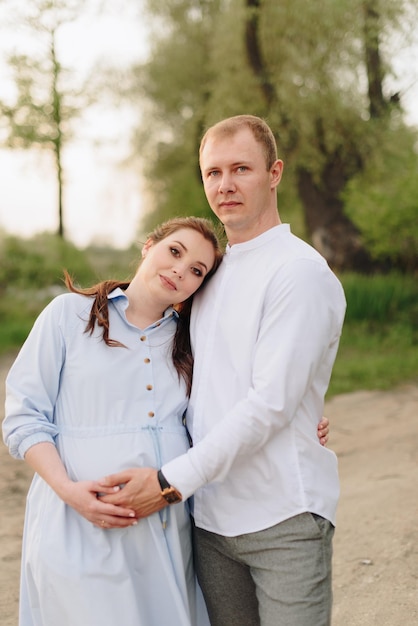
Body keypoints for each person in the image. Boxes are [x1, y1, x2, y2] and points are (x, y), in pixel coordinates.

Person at [98, 115, 346, 626]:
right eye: (213, 172)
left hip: (282, 517)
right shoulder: (208, 274)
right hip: (209, 521)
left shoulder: (298, 273)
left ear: (274, 173)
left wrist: (168, 482)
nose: (225, 185)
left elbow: (271, 404)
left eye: (241, 169)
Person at [2, 217, 225, 626]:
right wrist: (69, 491)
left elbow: (231, 412)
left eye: (197, 270)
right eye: (174, 251)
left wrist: (302, 423)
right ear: (148, 246)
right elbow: (24, 417)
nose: (181, 270)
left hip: (163, 528)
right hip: (76, 521)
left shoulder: (193, 341)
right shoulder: (68, 315)